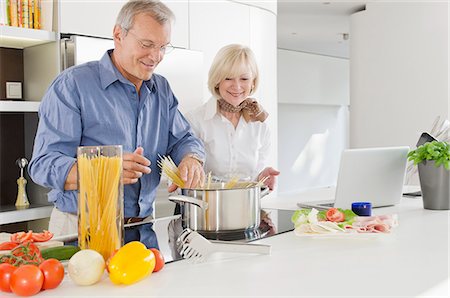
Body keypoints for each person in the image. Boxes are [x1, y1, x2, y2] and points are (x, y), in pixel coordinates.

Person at [28, 0, 205, 236]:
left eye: (163, 46)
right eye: (147, 44)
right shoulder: (72, 85)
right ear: (118, 34)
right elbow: (43, 164)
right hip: (81, 228)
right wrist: (103, 169)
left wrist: (191, 160)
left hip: (143, 228)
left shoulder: (161, 89)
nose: (156, 56)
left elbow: (183, 139)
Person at [185, 44, 279, 190]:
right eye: (228, 78)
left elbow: (253, 178)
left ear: (253, 82)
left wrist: (262, 177)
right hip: (205, 207)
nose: (237, 86)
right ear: (217, 80)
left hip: (244, 206)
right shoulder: (195, 120)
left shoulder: (260, 124)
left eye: (244, 79)